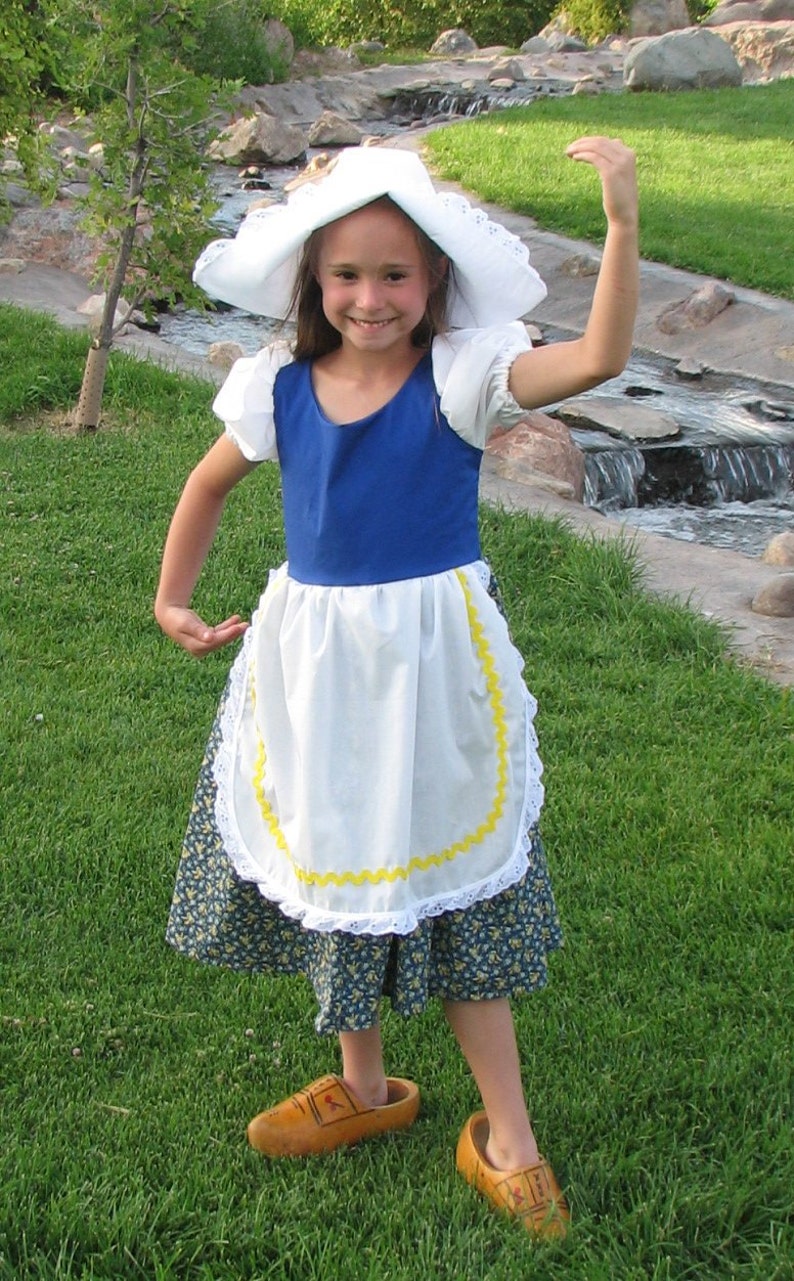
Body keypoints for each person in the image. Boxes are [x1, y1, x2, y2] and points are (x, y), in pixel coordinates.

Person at [155, 139, 638, 1239]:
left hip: (428, 672)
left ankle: (508, 1135)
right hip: (313, 671)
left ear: (433, 288)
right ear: (313, 283)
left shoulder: (460, 379)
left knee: (452, 878)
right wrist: (171, 599)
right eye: (345, 275)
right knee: (337, 855)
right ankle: (364, 1088)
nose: (367, 298)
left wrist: (616, 225)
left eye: (393, 275)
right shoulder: (276, 385)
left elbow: (600, 358)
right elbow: (207, 482)